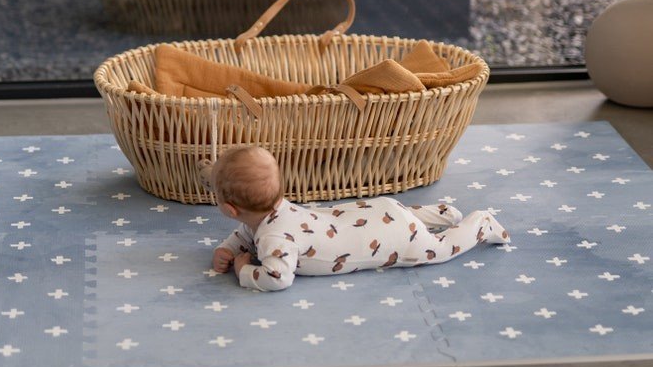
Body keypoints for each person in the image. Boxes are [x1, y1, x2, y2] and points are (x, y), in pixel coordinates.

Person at [203, 144, 510, 292]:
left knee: (439, 250)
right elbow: (247, 232)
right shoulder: (275, 212)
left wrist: (243, 270)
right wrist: (228, 250)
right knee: (386, 215)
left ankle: (480, 225)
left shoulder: (274, 237)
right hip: (378, 212)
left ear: (229, 209)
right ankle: (441, 213)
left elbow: (277, 277)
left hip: (395, 242)